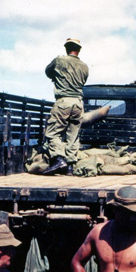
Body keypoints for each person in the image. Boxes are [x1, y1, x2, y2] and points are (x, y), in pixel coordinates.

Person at [43, 38, 90, 175]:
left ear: (66, 48)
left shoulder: (59, 61)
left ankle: (58, 159)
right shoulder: (85, 66)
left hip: (64, 102)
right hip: (78, 103)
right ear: (79, 50)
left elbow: (48, 72)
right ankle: (70, 167)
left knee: (53, 132)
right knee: (73, 135)